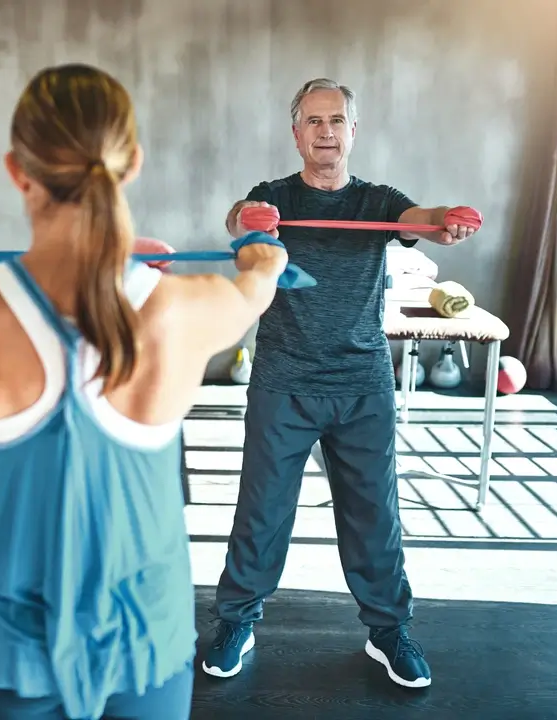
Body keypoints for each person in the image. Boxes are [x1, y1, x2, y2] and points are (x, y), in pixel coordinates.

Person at [0, 63, 291, 719]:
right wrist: (260, 251)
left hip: (11, 641)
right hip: (144, 635)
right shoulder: (189, 309)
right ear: (130, 163)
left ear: (16, 170)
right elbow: (259, 282)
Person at [201, 78, 482, 689]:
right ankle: (236, 622)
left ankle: (388, 630)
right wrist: (251, 222)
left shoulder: (379, 201)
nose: (326, 132)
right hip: (284, 379)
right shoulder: (271, 196)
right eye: (314, 121)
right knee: (261, 513)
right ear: (296, 132)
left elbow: (421, 219)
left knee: (373, 514)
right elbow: (237, 223)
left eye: (337, 121)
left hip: (362, 382)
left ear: (353, 131)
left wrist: (445, 222)